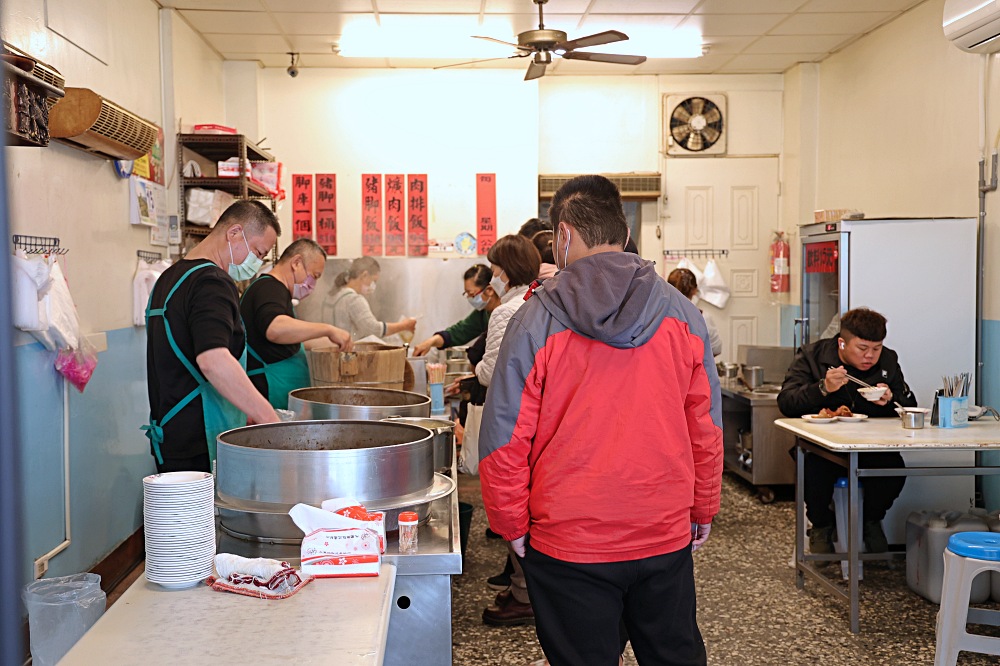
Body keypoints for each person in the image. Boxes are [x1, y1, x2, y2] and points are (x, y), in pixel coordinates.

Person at [479, 175, 723, 665]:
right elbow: (706, 426)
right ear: (625, 234)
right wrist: (703, 508)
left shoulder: (535, 319)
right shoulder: (681, 314)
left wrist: (510, 522)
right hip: (661, 530)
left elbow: (505, 434)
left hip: (568, 539)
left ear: (563, 236)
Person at [144, 200, 282, 473]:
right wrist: (269, 419)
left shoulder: (169, 278)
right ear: (233, 233)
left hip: (171, 434)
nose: (257, 264)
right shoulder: (212, 282)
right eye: (258, 252)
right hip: (202, 440)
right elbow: (213, 359)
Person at [777, 307, 916, 554]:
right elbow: (786, 402)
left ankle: (870, 520)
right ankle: (821, 525)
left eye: (876, 348)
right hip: (822, 447)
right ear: (842, 343)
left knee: (894, 470)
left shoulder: (888, 361)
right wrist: (822, 388)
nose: (870, 356)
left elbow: (909, 406)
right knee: (814, 471)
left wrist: (893, 398)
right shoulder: (812, 356)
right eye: (862, 349)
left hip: (872, 446)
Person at [239, 239, 353, 410]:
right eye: (314, 276)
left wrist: (336, 342)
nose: (313, 285)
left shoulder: (277, 291)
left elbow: (288, 340)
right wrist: (327, 329)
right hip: (270, 395)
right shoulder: (269, 288)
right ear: (296, 263)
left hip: (279, 397)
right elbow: (275, 329)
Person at [476, 234, 541, 389]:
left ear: (506, 271)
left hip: (513, 406)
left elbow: (490, 374)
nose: (492, 279)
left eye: (494, 271)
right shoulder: (541, 302)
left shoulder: (504, 312)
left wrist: (478, 367)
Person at [412, 265, 501, 357]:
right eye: (466, 294)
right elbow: (459, 332)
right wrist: (430, 342)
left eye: (471, 294)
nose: (469, 298)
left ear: (489, 290)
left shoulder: (504, 313)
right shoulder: (483, 313)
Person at [322, 257, 416, 341]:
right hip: (346, 355)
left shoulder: (332, 295)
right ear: (364, 275)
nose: (373, 285)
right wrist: (404, 325)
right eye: (374, 281)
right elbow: (373, 329)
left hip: (331, 352)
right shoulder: (354, 300)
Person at [667, 268, 723, 358]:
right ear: (694, 290)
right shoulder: (703, 317)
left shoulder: (657, 316)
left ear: (668, 289)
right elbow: (716, 349)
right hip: (695, 370)